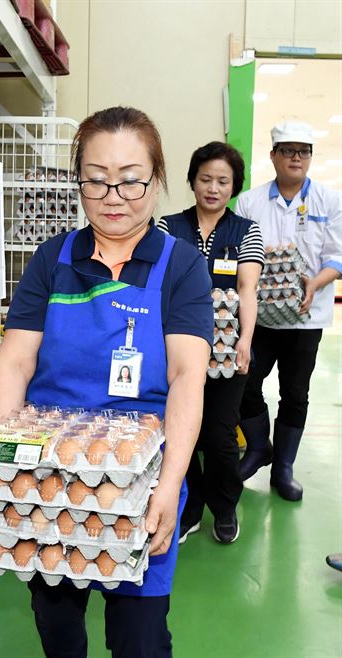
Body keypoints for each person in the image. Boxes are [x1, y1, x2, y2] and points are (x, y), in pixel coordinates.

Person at [0, 106, 213, 658]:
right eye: (97, 179)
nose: (115, 195)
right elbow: (13, 365)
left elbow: (186, 377)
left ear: (157, 178)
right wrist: (2, 465)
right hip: (51, 470)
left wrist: (168, 486)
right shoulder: (52, 259)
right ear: (79, 181)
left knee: (140, 638)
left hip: (142, 475)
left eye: (132, 179)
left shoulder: (179, 266)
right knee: (57, 626)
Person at [158, 142, 264, 544]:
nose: (213, 188)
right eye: (205, 179)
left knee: (220, 435)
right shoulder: (170, 227)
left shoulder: (245, 231)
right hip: (179, 347)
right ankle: (190, 507)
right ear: (192, 181)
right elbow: (162, 287)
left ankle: (225, 506)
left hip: (226, 350)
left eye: (223, 181)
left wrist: (245, 342)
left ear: (234, 186)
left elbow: (247, 289)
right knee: (179, 430)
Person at [235, 121, 342, 501]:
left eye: (303, 151)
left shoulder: (329, 200)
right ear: (273, 156)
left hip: (306, 316)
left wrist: (315, 283)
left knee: (295, 392)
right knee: (245, 383)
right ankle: (259, 446)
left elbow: (337, 256)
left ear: (310, 157)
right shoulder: (250, 201)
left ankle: (283, 467)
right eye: (288, 150)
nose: (296, 157)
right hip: (260, 316)